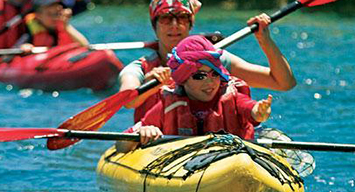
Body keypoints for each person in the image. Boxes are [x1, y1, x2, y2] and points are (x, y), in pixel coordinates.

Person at [118, 0, 296, 123]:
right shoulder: (138, 69)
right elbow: (128, 100)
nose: (174, 25)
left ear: (190, 24)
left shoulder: (215, 61)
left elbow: (283, 83)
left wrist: (265, 40)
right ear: (154, 26)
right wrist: (150, 82)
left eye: (181, 17)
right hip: (158, 142)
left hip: (212, 143)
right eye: (165, 18)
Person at [116, 35, 273, 152]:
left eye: (215, 74)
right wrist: (144, 131)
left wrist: (260, 112)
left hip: (236, 159)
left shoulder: (231, 97)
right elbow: (121, 144)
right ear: (183, 79)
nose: (210, 82)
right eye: (199, 76)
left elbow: (251, 109)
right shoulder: (169, 104)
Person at [16, 0, 89, 51]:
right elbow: (19, 47)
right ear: (38, 16)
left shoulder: (64, 27)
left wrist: (66, 26)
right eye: (50, 14)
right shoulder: (30, 34)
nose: (55, 17)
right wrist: (25, 47)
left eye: (57, 13)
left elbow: (86, 47)